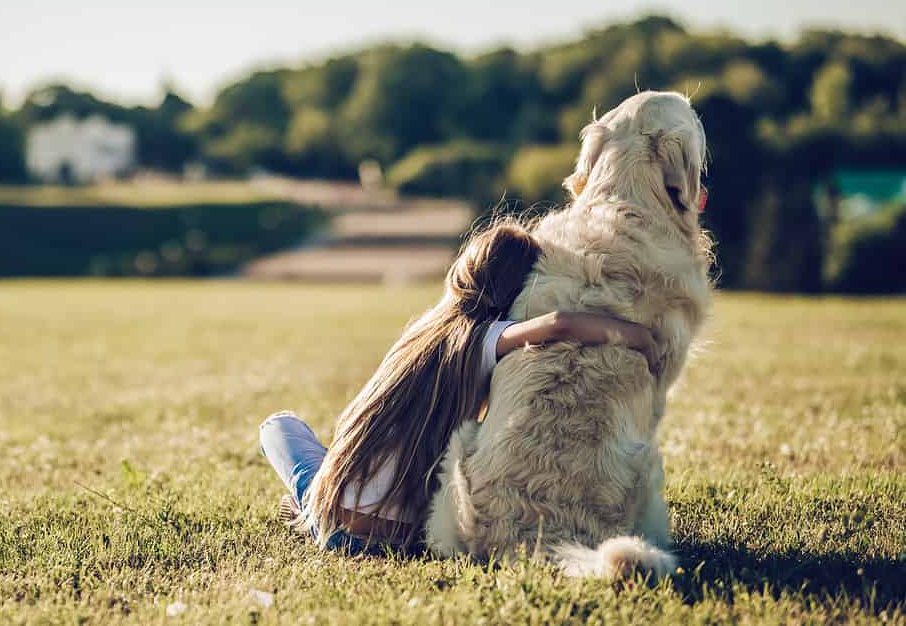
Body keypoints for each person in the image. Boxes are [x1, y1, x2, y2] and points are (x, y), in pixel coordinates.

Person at [258, 217, 660, 555]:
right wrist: (639, 336)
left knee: (279, 426)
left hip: (337, 523)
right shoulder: (486, 338)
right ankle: (311, 505)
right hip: (407, 536)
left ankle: (308, 508)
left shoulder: (424, 333)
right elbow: (559, 323)